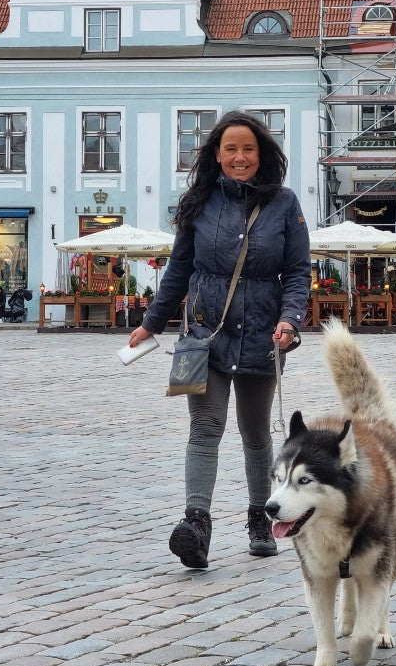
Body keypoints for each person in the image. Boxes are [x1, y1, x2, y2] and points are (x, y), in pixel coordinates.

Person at [127, 111, 310, 570]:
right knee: (205, 430)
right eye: (230, 149)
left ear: (262, 154)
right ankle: (196, 525)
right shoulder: (199, 202)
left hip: (263, 335)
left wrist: (290, 321)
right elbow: (179, 270)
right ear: (216, 155)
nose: (239, 157)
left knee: (254, 433)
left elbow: (298, 273)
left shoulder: (284, 204)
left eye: (248, 148)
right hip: (204, 334)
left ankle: (260, 519)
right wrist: (151, 323)